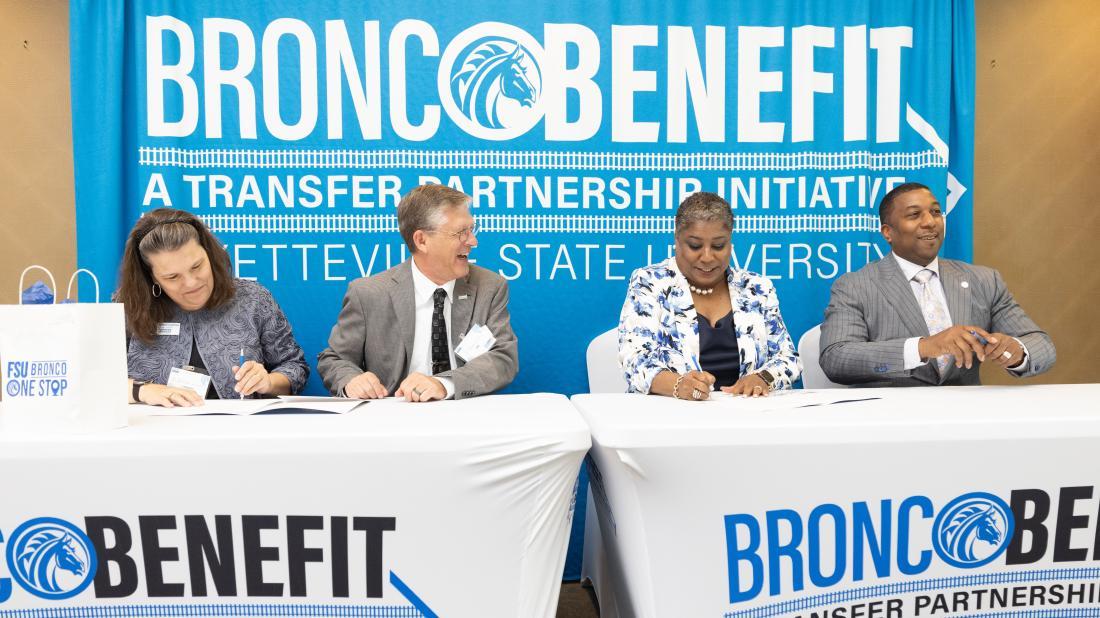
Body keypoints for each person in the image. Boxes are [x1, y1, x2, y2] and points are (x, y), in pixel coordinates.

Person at [819, 182, 1055, 386]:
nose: (930, 222)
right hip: (891, 420)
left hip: (966, 420)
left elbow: (1041, 346)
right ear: (887, 232)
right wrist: (924, 348)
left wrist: (1016, 351)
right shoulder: (855, 286)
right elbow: (836, 358)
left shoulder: (983, 280)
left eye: (936, 212)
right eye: (914, 215)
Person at [317, 184, 518, 402]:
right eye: (461, 232)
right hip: (391, 422)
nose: (472, 241)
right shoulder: (368, 293)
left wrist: (444, 384)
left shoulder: (489, 287)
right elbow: (334, 359)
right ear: (422, 240)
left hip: (466, 418)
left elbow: (502, 358)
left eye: (472, 229)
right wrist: (351, 380)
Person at [618, 192, 802, 400]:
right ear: (677, 241)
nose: (707, 257)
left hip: (748, 416)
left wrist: (763, 378)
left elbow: (788, 358)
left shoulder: (756, 288)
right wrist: (678, 385)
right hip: (670, 417)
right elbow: (635, 360)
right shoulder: (649, 282)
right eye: (695, 246)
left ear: (730, 243)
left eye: (718, 246)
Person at [117, 208, 309, 407]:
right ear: (151, 278)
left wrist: (268, 382)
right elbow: (90, 381)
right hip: (150, 432)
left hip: (238, 432)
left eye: (197, 266)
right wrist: (141, 390)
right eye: (172, 277)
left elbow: (295, 367)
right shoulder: (127, 307)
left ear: (210, 255)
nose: (191, 283)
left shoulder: (252, 299)